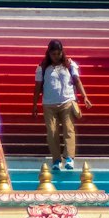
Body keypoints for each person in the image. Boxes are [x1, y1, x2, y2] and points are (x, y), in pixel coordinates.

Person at [32, 39, 92, 172]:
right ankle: (56, 159)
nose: (56, 57)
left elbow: (77, 81)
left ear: (62, 52)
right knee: (52, 132)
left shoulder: (70, 65)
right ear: (49, 53)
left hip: (67, 102)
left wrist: (85, 97)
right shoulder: (42, 67)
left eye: (58, 54)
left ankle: (69, 158)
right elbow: (37, 87)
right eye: (53, 54)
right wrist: (34, 104)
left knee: (68, 130)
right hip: (49, 104)